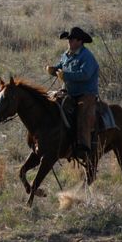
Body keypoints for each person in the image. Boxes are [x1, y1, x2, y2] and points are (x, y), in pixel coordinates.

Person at [45, 27, 99, 161]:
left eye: (72, 39)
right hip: (69, 92)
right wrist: (53, 70)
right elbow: (61, 66)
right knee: (50, 101)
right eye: (68, 39)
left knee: (82, 113)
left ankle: (84, 146)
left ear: (80, 41)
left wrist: (66, 76)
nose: (69, 42)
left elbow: (85, 75)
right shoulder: (67, 54)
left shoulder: (87, 56)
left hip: (86, 94)